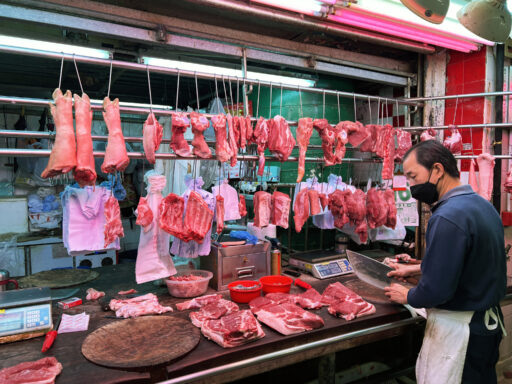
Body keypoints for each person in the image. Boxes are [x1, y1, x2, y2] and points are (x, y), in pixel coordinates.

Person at [384, 140, 507, 384]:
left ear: (437, 170)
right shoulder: (482, 206)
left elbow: (436, 291)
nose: (411, 185)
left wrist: (407, 295)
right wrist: (421, 269)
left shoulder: (448, 215)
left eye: (412, 176)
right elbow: (471, 261)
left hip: (461, 332)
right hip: (486, 326)